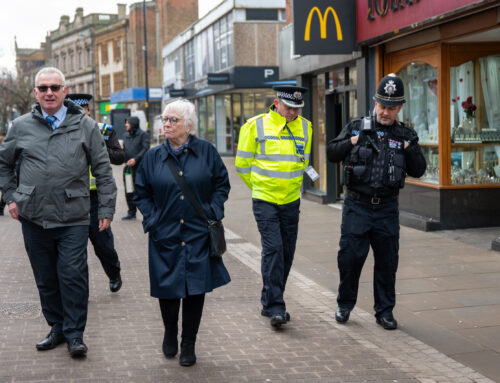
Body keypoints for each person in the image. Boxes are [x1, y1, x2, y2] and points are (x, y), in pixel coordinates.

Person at [0, 67, 117, 356]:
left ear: (65, 91)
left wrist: (106, 208)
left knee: (73, 274)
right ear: (36, 93)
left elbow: (102, 171)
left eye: (55, 87)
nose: (49, 93)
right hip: (33, 215)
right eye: (43, 88)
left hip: (74, 215)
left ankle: (75, 334)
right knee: (46, 276)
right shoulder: (21, 126)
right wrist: (12, 198)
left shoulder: (86, 126)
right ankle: (57, 327)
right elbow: (3, 164)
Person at [134, 99, 230, 366]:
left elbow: (222, 185)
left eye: (173, 120)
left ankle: (189, 344)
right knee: (167, 290)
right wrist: (152, 219)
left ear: (188, 125)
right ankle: (169, 333)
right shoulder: (153, 157)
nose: (166, 124)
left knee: (195, 290)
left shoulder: (207, 152)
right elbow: (141, 192)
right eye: (165, 119)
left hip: (198, 233)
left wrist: (213, 211)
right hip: (165, 235)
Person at [327, 73, 427, 330]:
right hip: (357, 205)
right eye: (382, 106)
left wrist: (409, 147)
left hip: (386, 208)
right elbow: (331, 152)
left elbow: (418, 169)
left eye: (391, 108)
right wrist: (352, 141)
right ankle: (344, 304)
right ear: (375, 102)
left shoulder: (406, 134)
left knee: (387, 262)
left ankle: (384, 311)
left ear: (400, 108)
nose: (385, 112)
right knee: (350, 259)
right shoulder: (356, 126)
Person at [235, 85, 313, 328]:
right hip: (265, 200)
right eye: (289, 107)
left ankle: (269, 300)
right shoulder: (255, 125)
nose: (293, 113)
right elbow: (242, 165)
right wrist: (259, 188)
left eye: (297, 108)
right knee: (274, 250)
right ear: (276, 102)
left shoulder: (306, 127)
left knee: (287, 253)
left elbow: (304, 162)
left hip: (291, 201)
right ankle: (277, 307)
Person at [67, 93, 125, 293]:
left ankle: (114, 273)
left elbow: (119, 157)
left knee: (103, 244)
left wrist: (97, 149)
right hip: (72, 197)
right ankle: (81, 289)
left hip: (96, 197)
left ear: (88, 110)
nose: (79, 114)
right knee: (75, 249)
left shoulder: (104, 130)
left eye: (82, 110)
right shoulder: (62, 130)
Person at [122, 116, 150, 220]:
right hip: (128, 168)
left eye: (127, 123)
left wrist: (135, 159)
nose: (126, 125)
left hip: (140, 168)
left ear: (133, 124)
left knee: (143, 190)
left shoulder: (143, 135)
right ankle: (131, 212)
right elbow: (124, 149)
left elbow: (145, 149)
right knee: (129, 190)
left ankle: (147, 212)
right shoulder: (125, 135)